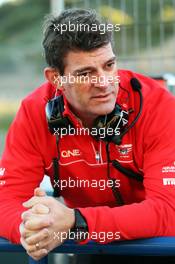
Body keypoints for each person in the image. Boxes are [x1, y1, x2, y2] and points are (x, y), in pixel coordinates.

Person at [0, 8, 175, 263]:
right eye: (86, 73)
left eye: (109, 65)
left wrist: (75, 220)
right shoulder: (34, 111)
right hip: (93, 242)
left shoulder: (159, 106)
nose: (104, 82)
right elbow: (6, 200)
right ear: (56, 78)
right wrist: (31, 228)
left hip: (159, 242)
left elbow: (168, 212)